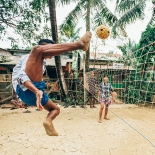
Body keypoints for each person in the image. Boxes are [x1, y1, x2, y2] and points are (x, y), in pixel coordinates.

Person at [12, 32, 92, 136]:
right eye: (51, 49)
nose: (52, 55)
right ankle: (80, 44)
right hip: (28, 90)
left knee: (56, 109)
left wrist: (38, 92)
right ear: (45, 47)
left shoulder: (42, 63)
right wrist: (36, 91)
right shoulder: (28, 57)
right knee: (36, 49)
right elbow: (21, 77)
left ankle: (48, 121)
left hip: (35, 94)